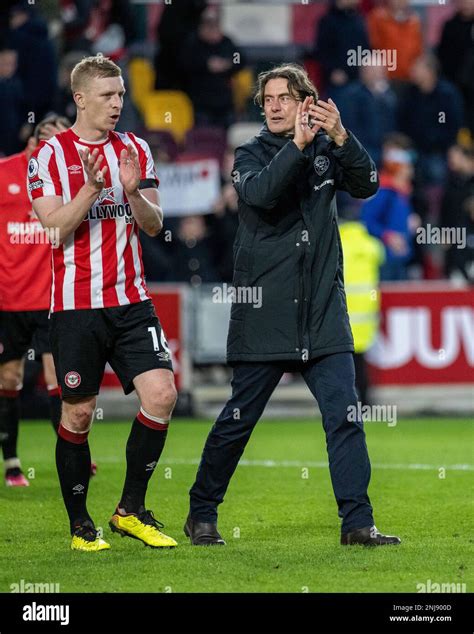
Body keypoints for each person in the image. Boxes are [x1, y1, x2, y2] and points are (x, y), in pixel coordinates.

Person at [185, 63, 401, 547]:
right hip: (265, 315)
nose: (276, 106)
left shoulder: (329, 148)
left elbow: (368, 184)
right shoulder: (248, 154)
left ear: (307, 102)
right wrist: (299, 147)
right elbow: (260, 193)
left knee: (345, 418)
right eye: (269, 99)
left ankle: (357, 524)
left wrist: (342, 135)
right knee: (236, 423)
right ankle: (201, 512)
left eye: (285, 97)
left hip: (322, 314)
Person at [28, 54, 178, 552]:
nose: (118, 103)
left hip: (133, 301)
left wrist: (133, 194)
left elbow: (155, 225)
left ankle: (130, 510)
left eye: (120, 95)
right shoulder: (48, 158)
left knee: (162, 396)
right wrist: (93, 188)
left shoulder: (135, 147)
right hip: (75, 307)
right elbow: (53, 229)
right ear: (80, 98)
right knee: (79, 414)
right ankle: (79, 526)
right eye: (108, 95)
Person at [0, 115, 70, 487]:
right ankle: (12, 463)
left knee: (57, 378)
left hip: (50, 299)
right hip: (8, 299)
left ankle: (70, 456)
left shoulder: (66, 181)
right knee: (8, 379)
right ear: (35, 141)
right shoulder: (5, 172)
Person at [178, 7, 244, 128]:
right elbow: (184, 64)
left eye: (215, 24)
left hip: (225, 104)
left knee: (229, 139)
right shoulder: (193, 43)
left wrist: (226, 65)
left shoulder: (226, 42)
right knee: (205, 138)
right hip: (201, 104)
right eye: (208, 24)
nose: (212, 28)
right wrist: (207, 65)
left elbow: (240, 59)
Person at [361, 144, 415, 281]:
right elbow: (367, 221)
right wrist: (388, 236)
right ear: (398, 168)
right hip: (385, 258)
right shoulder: (384, 191)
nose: (411, 170)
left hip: (401, 257)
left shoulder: (401, 192)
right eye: (407, 166)